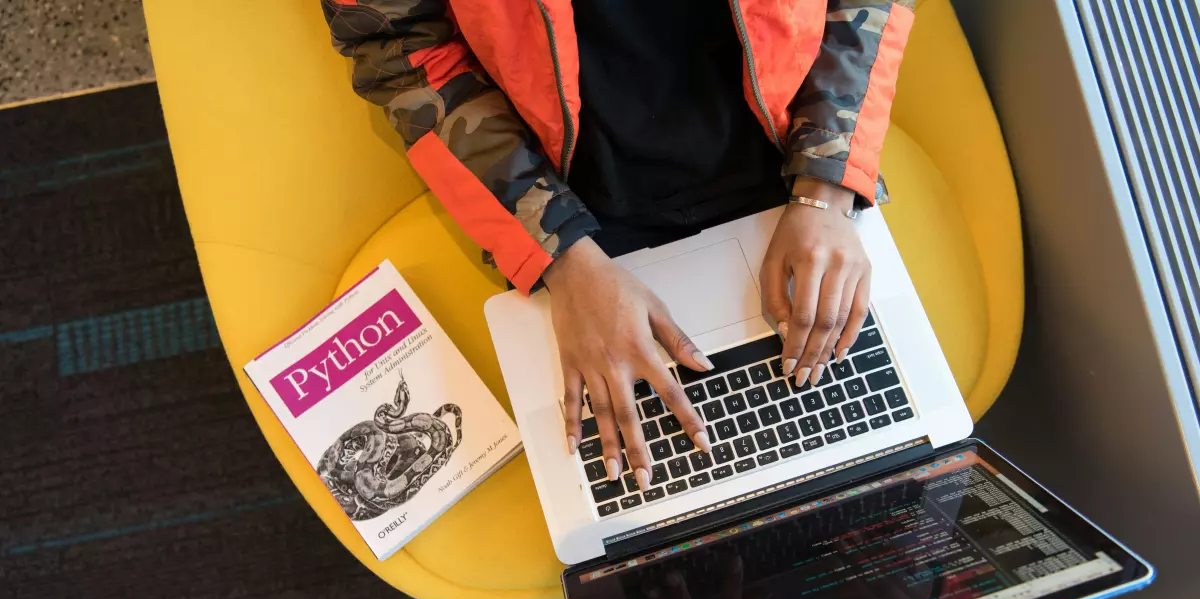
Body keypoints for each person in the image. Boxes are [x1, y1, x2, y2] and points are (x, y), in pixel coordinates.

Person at [323, 0, 914, 493]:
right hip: (570, 210)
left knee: (892, 485)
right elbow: (398, 49)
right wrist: (560, 254)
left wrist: (827, 183)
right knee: (649, 530)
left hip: (794, 166)